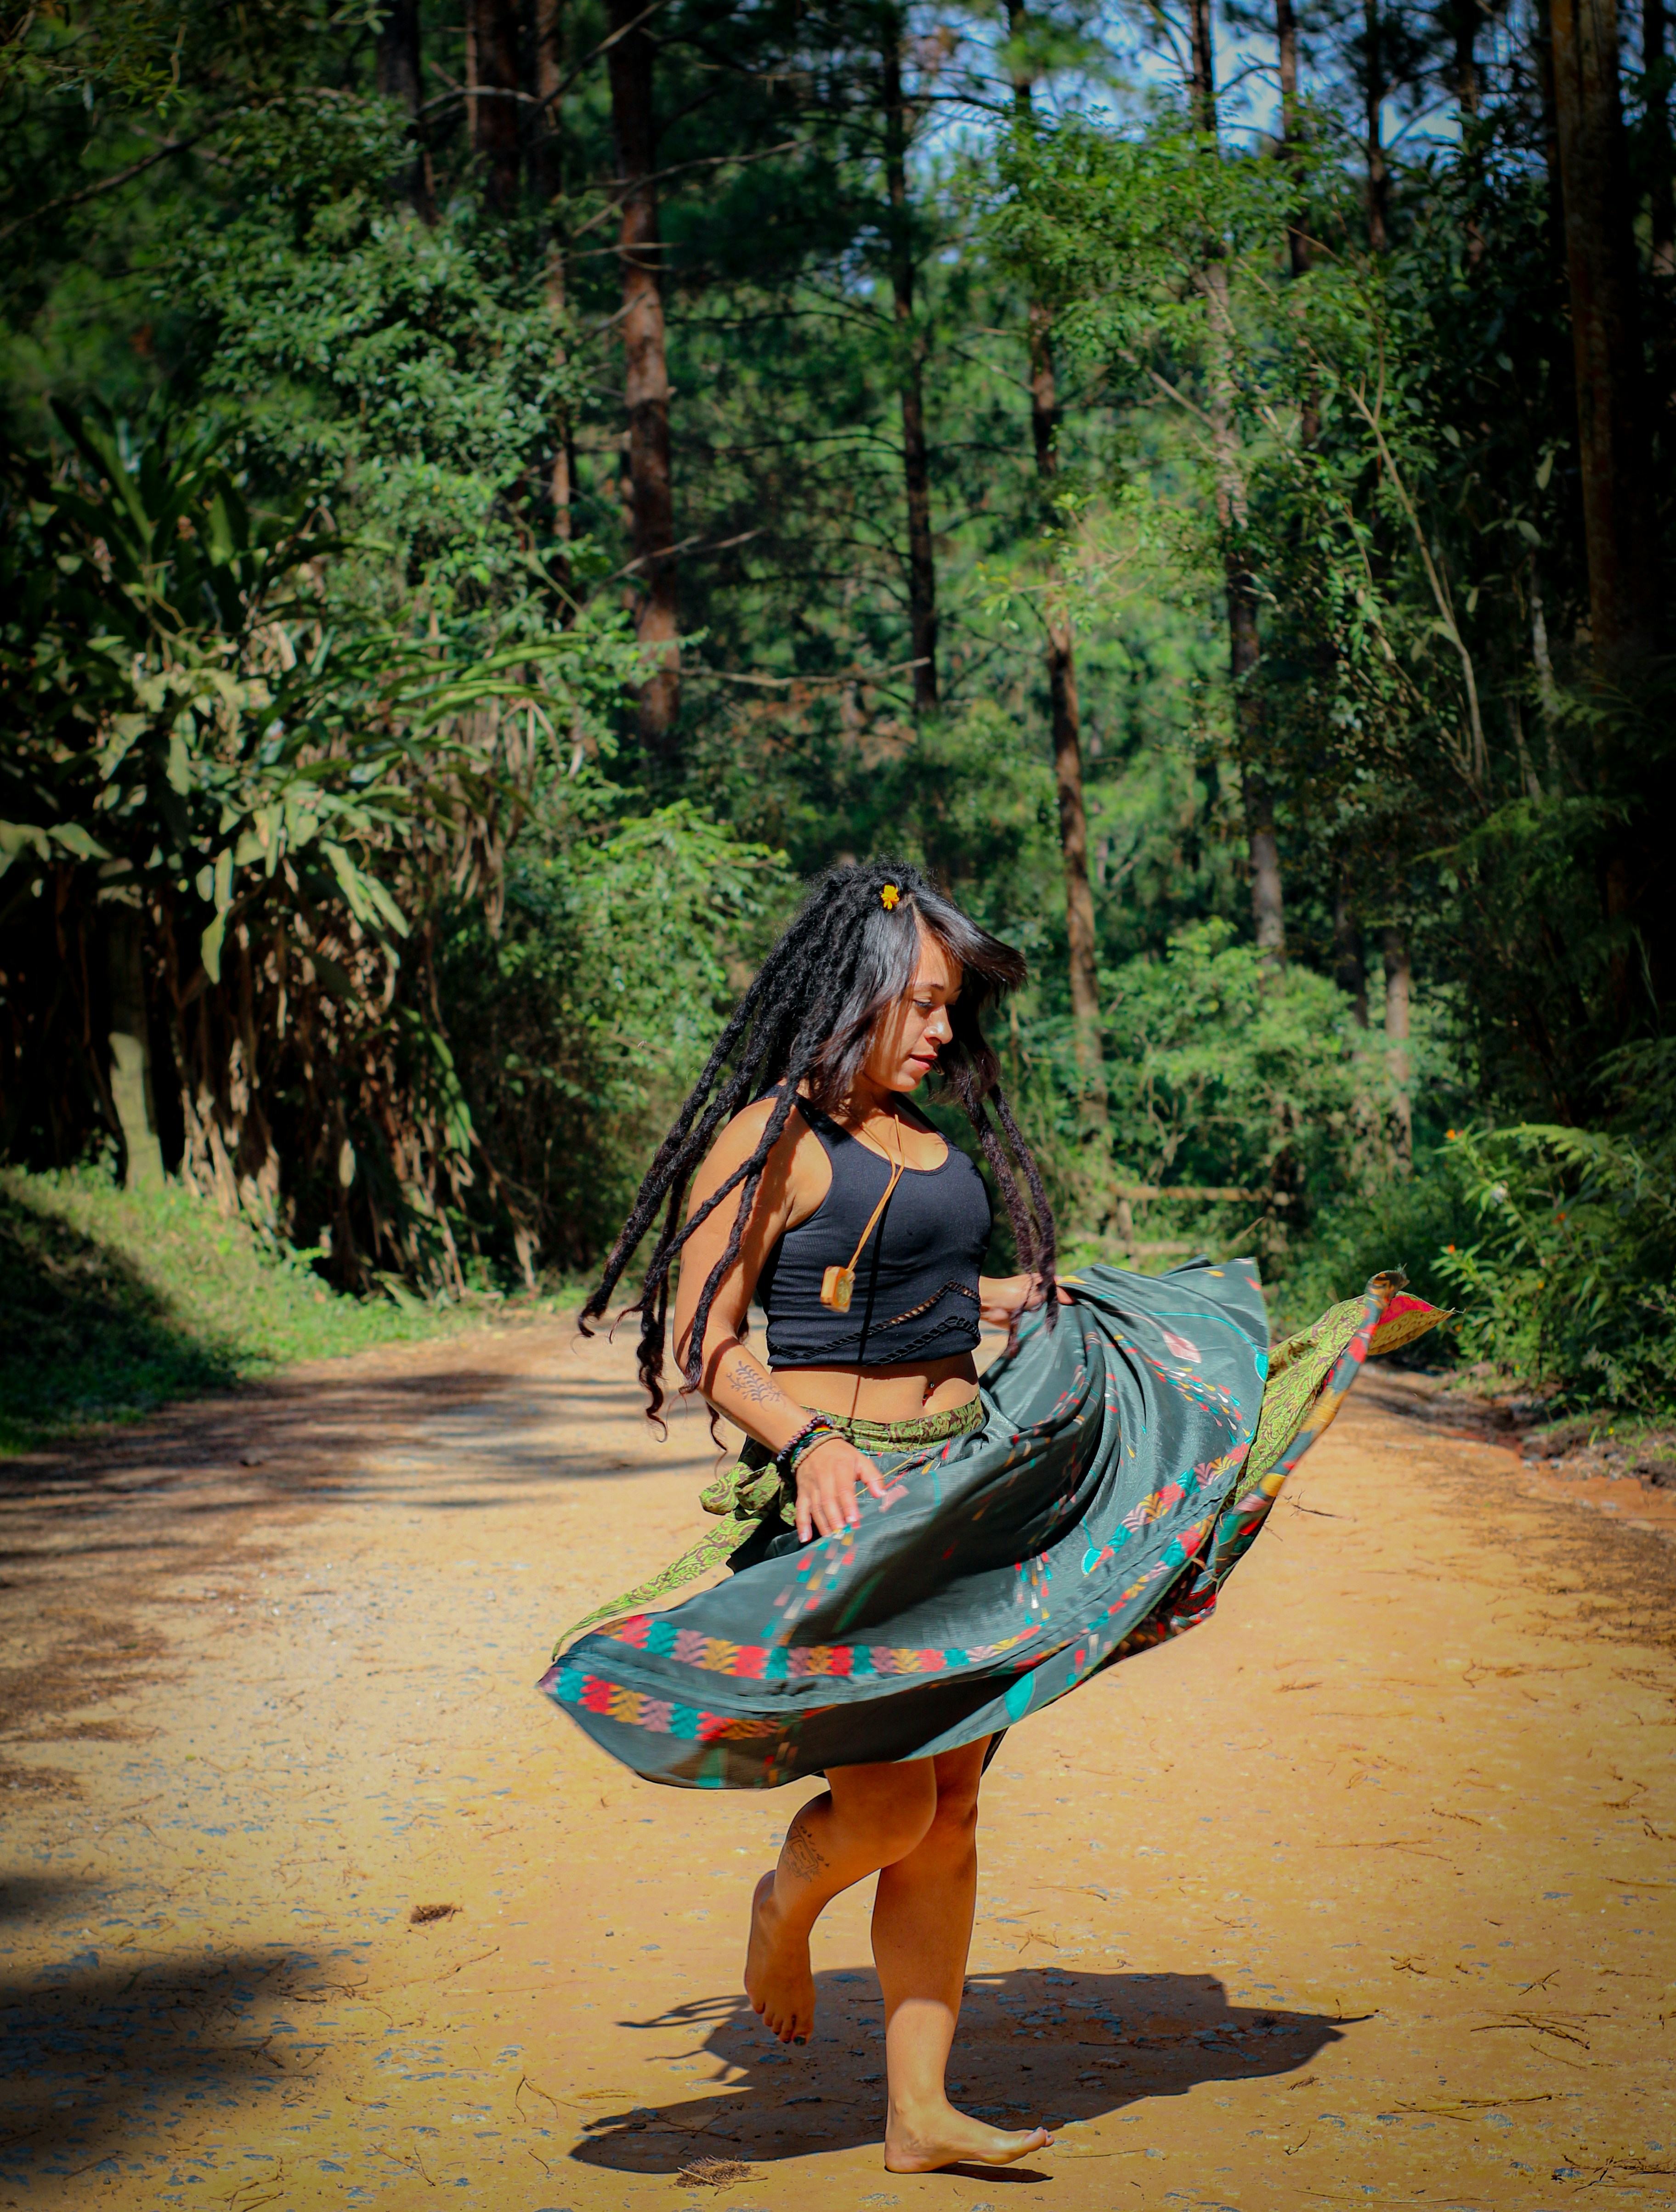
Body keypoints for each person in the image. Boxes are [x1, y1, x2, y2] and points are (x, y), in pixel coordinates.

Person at [538, 858, 1440, 2175]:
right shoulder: (769, 1140)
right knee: (889, 1815)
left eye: (950, 1007)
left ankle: (920, 2114)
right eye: (918, 1006)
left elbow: (928, 1292)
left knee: (951, 1810)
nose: (942, 1031)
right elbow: (705, 1339)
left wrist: (1016, 1304)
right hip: (852, 1507)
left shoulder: (934, 1150)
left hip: (963, 1486)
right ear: (847, 997)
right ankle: (783, 1909)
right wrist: (812, 1444)